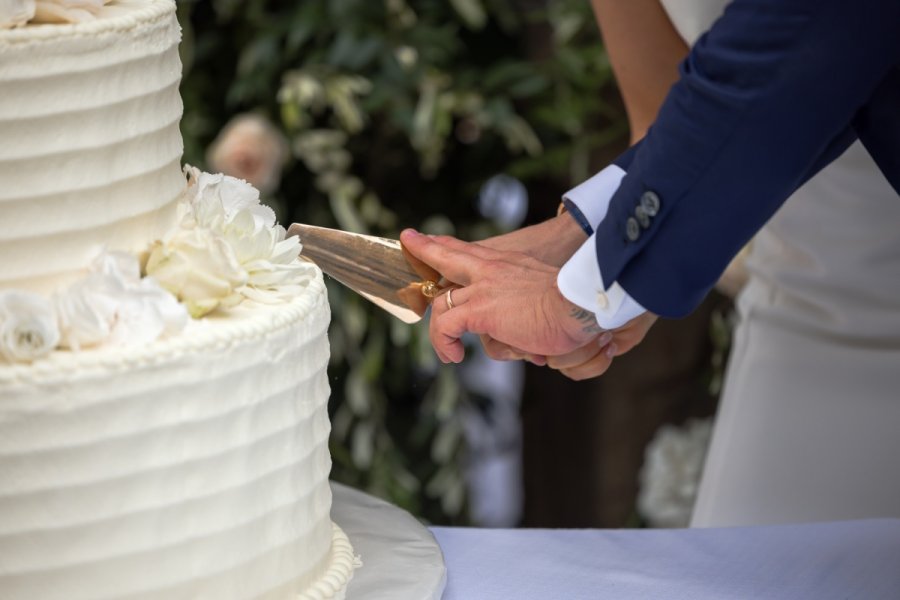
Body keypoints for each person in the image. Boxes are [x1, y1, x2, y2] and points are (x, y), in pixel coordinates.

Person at [400, 0, 900, 525]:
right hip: (799, 293)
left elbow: (815, 28)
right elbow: (675, 118)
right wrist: (585, 234)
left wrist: (584, 296)